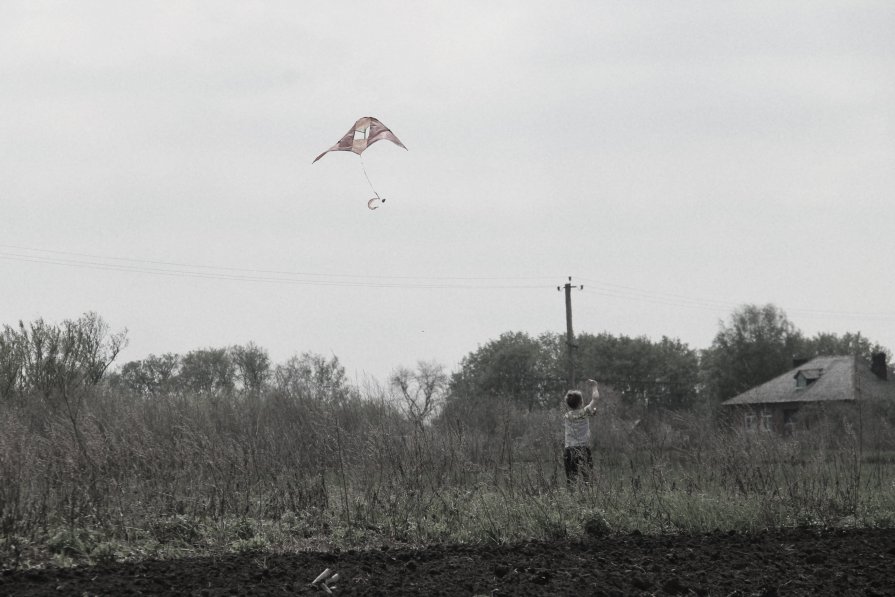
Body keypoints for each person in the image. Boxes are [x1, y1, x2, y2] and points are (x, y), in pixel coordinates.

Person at [562, 379, 599, 485]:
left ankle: (572, 498)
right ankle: (588, 498)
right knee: (588, 479)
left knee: (571, 480)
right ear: (581, 402)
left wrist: (590, 414)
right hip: (583, 449)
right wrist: (594, 386)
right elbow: (595, 398)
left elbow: (577, 418)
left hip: (569, 450)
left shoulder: (567, 416)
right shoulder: (585, 411)